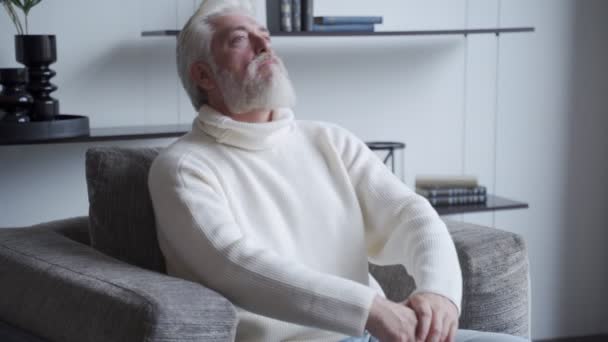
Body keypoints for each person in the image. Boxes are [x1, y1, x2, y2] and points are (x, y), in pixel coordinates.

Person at [148, 1, 528, 341]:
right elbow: (234, 263)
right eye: (239, 40)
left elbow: (409, 214)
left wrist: (440, 292)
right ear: (203, 75)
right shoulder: (182, 168)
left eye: (264, 36)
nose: (265, 47)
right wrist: (371, 309)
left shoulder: (328, 140)